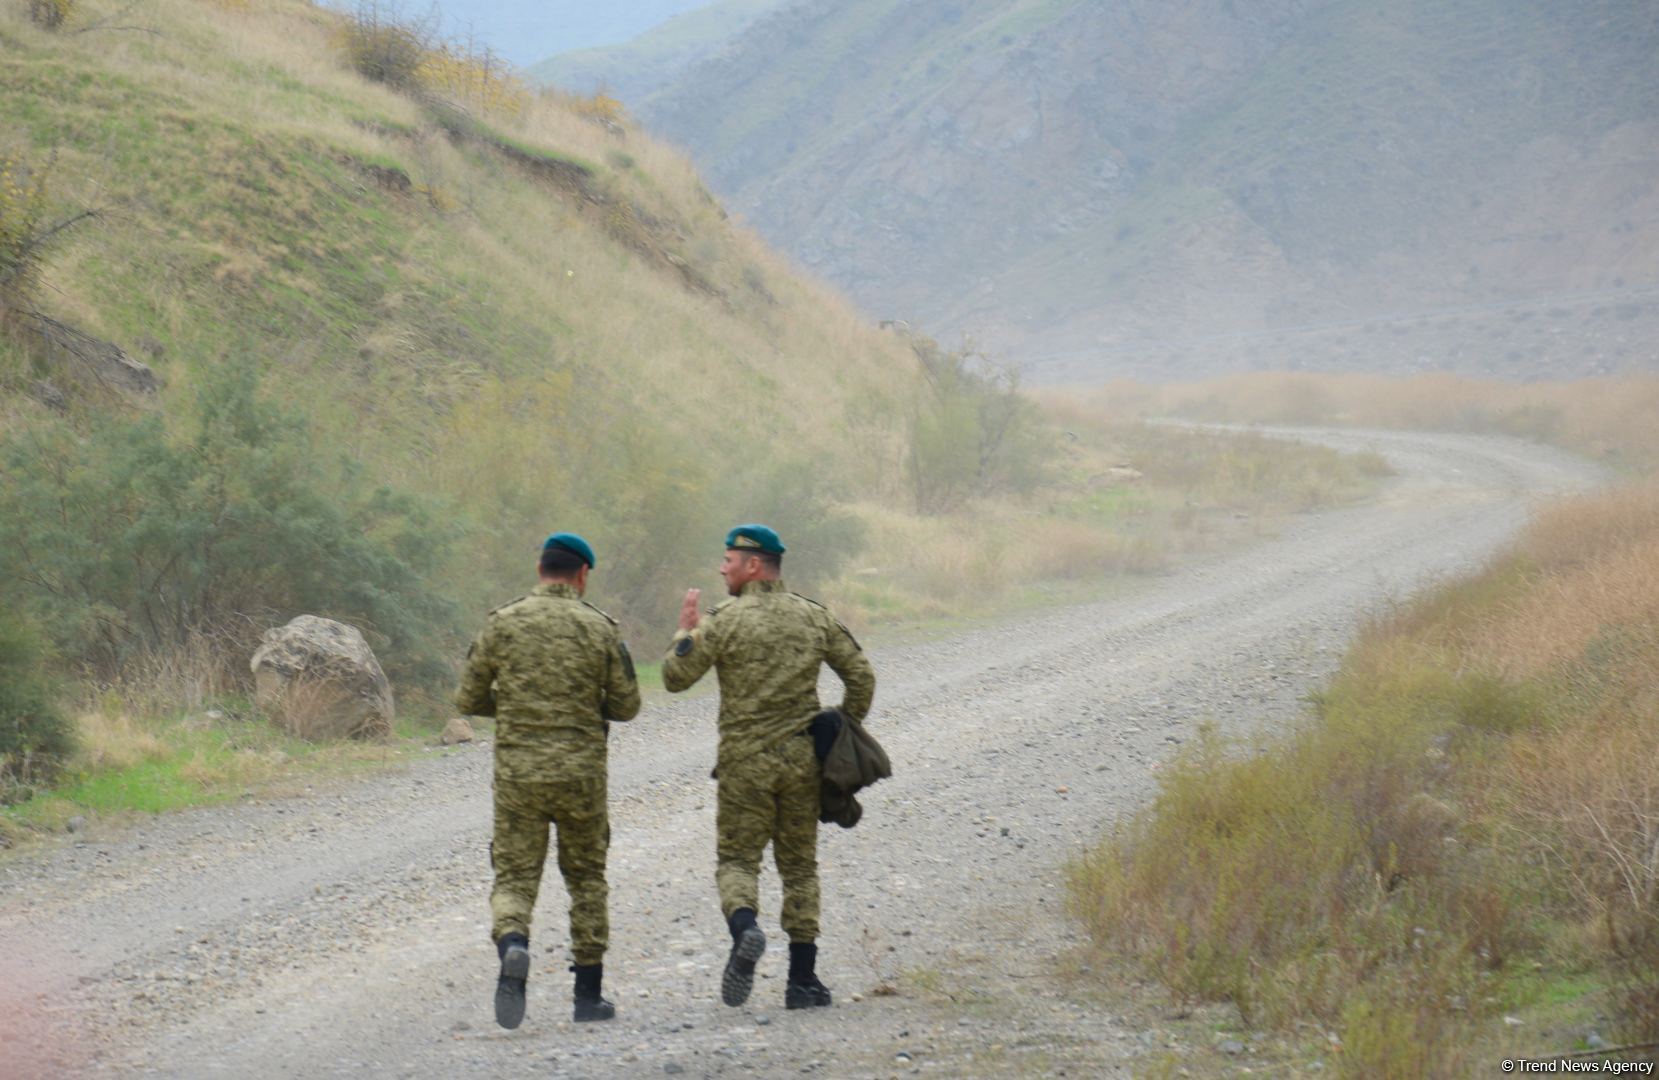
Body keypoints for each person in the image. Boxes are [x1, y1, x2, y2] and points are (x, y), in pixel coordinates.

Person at [662, 524, 876, 1010]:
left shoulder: (721, 621)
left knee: (738, 862)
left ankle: (746, 929)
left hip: (743, 764)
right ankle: (802, 982)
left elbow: (675, 678)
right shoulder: (813, 616)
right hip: (803, 762)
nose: (722, 568)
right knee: (799, 869)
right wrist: (843, 729)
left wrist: (686, 629)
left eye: (729, 561)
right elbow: (860, 674)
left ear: (753, 564)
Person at [455, 532, 641, 1029]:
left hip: (520, 775)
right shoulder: (600, 627)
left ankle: (514, 945)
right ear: (582, 576)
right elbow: (627, 706)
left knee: (515, 876)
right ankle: (588, 997)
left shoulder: (503, 623)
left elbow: (468, 698)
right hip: (581, 774)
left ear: (540, 569)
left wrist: (516, 708)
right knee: (586, 879)